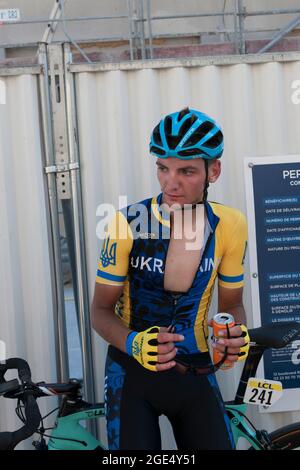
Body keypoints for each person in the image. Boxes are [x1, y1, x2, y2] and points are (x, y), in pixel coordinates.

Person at [91, 107, 249, 450]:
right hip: (131, 374)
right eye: (163, 168)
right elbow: (99, 312)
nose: (170, 182)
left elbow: (232, 304)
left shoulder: (230, 224)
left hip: (195, 369)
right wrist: (133, 342)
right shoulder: (126, 222)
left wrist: (234, 333)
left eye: (186, 171)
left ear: (214, 170)